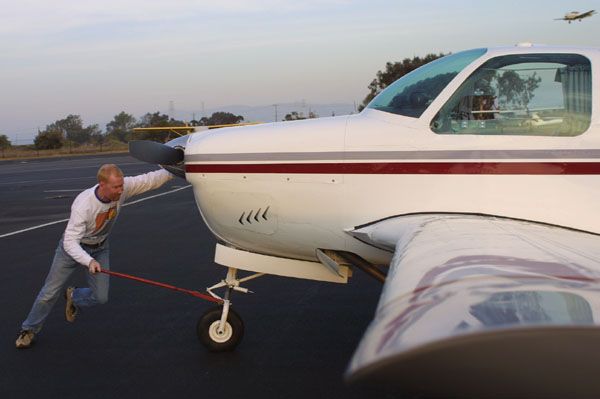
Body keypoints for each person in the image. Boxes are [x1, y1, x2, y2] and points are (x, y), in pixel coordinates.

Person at [15, 163, 173, 349]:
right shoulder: (84, 204)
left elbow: (149, 180)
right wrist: (88, 260)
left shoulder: (123, 188)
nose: (121, 190)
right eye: (116, 187)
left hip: (100, 248)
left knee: (100, 297)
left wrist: (173, 169)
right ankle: (29, 329)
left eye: (122, 185)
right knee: (49, 292)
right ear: (102, 184)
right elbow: (70, 242)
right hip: (72, 250)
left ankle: (73, 296)